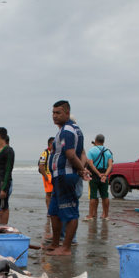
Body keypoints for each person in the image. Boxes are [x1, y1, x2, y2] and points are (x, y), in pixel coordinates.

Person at [46, 100, 85, 256]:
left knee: (70, 213)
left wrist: (81, 170)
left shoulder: (68, 130)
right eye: (53, 113)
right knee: (54, 211)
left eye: (58, 113)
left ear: (67, 113)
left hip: (66, 176)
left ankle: (66, 248)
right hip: (58, 177)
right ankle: (56, 243)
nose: (54, 116)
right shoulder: (65, 130)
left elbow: (71, 154)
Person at [85, 134, 114, 220]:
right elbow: (110, 165)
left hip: (94, 176)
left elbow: (90, 164)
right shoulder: (108, 152)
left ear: (96, 140)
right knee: (105, 196)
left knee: (93, 196)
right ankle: (106, 215)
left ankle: (91, 215)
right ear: (103, 141)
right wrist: (105, 175)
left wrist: (98, 174)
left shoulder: (91, 151)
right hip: (104, 176)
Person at [38, 137, 54, 209]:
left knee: (56, 193)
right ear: (50, 144)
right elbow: (41, 166)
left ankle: (54, 210)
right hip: (47, 176)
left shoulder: (56, 152)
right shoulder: (44, 153)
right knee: (48, 194)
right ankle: (49, 210)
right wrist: (45, 176)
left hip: (55, 175)